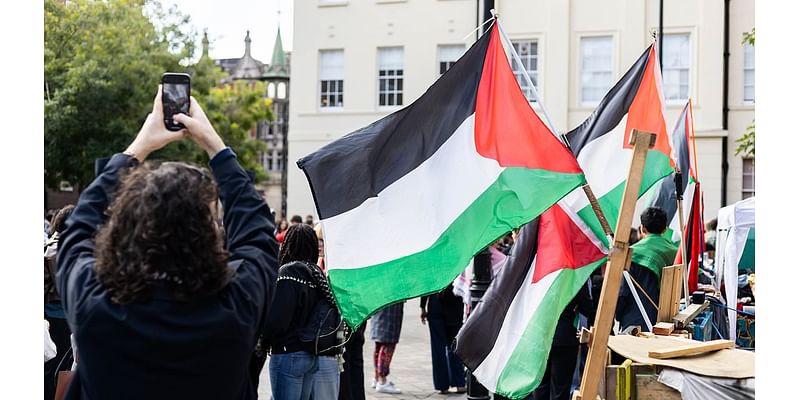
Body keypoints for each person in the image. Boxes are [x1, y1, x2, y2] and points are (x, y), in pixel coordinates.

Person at [56, 87, 279, 399]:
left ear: (125, 230)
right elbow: (257, 234)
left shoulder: (95, 306)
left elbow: (76, 230)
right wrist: (216, 146)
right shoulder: (236, 308)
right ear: (209, 234)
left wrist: (137, 148)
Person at [260, 224, 341, 400]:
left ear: (289, 244)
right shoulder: (316, 273)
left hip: (288, 352)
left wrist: (262, 337)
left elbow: (278, 321)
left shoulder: (288, 272)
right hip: (310, 354)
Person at [615, 207, 678, 331]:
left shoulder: (630, 254)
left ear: (642, 228)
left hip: (633, 322)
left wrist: (618, 315)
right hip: (667, 323)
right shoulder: (676, 254)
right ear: (665, 230)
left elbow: (622, 292)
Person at [534, 283, 593, 400]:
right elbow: (587, 307)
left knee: (540, 387)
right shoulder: (575, 274)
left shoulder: (541, 274)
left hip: (541, 336)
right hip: (564, 337)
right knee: (560, 390)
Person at [44, 204, 75, 400]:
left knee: (52, 363)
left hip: (50, 313)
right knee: (63, 366)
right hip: (65, 314)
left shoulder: (48, 246)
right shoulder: (64, 249)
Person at [420, 283, 466, 394]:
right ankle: (459, 383)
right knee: (455, 345)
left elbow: (426, 284)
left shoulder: (430, 265)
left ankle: (442, 385)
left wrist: (422, 306)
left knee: (438, 348)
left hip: (436, 303)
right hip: (455, 302)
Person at [371, 302, 404, 394]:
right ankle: (382, 380)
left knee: (379, 343)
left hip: (378, 306)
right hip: (390, 308)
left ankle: (377, 377)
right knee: (388, 343)